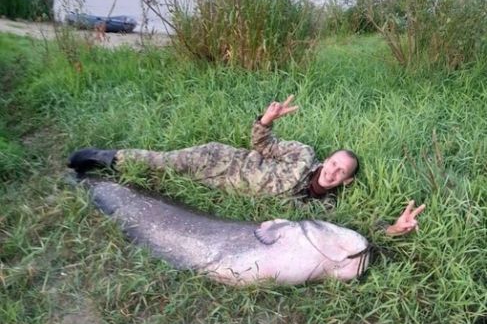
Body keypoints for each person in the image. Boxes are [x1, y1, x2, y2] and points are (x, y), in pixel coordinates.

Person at [68, 96, 425, 237]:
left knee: (163, 181)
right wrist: (266, 121)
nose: (332, 172)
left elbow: (348, 228)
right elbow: (262, 145)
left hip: (219, 188)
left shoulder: (327, 206)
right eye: (333, 163)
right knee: (160, 163)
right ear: (327, 158)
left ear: (345, 182)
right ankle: (106, 158)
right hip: (220, 160)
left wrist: (392, 229)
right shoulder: (302, 153)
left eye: (341, 172)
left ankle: (111, 169)